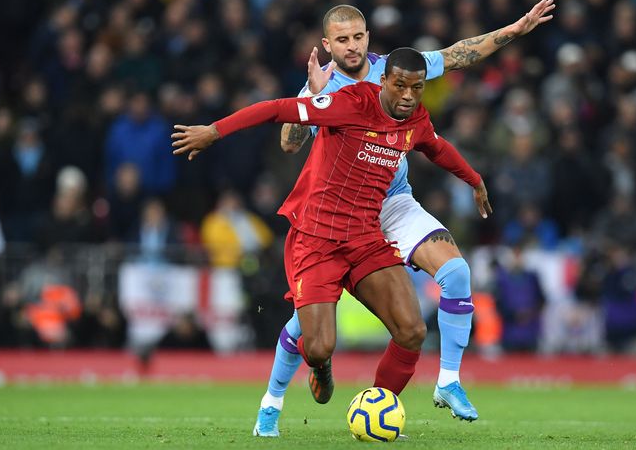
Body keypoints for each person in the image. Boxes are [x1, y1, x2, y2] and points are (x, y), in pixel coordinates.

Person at [253, 0, 555, 435]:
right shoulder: (322, 84)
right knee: (310, 329)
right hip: (337, 212)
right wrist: (311, 91)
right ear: (327, 44)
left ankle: (435, 386)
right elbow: (289, 142)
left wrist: (515, 29)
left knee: (456, 273)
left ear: (368, 37)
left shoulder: (395, 69)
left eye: (358, 37)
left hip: (393, 202)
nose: (352, 46)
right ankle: (277, 398)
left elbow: (458, 53)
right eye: (342, 39)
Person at [171, 48, 490, 435]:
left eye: (416, 88)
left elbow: (437, 147)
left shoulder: (415, 119)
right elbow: (277, 109)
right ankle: (305, 376)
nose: (408, 95)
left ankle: (378, 410)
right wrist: (214, 131)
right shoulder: (350, 104)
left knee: (412, 331)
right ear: (383, 81)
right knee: (320, 346)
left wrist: (474, 179)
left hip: (366, 238)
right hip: (317, 239)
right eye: (400, 86)